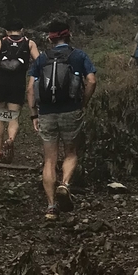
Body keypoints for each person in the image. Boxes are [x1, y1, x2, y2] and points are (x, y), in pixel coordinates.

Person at [26, 20, 97, 221]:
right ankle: (65, 184)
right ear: (69, 35)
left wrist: (34, 114)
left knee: (49, 159)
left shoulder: (41, 58)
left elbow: (30, 88)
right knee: (71, 152)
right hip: (71, 110)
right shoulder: (78, 55)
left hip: (46, 112)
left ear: (50, 38)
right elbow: (92, 81)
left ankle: (51, 207)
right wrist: (83, 103)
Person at [0, 22, 39, 163]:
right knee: (13, 117)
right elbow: (39, 63)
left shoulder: (0, 43)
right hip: (18, 83)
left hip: (1, 83)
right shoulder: (29, 43)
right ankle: (10, 140)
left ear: (6, 31)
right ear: (22, 30)